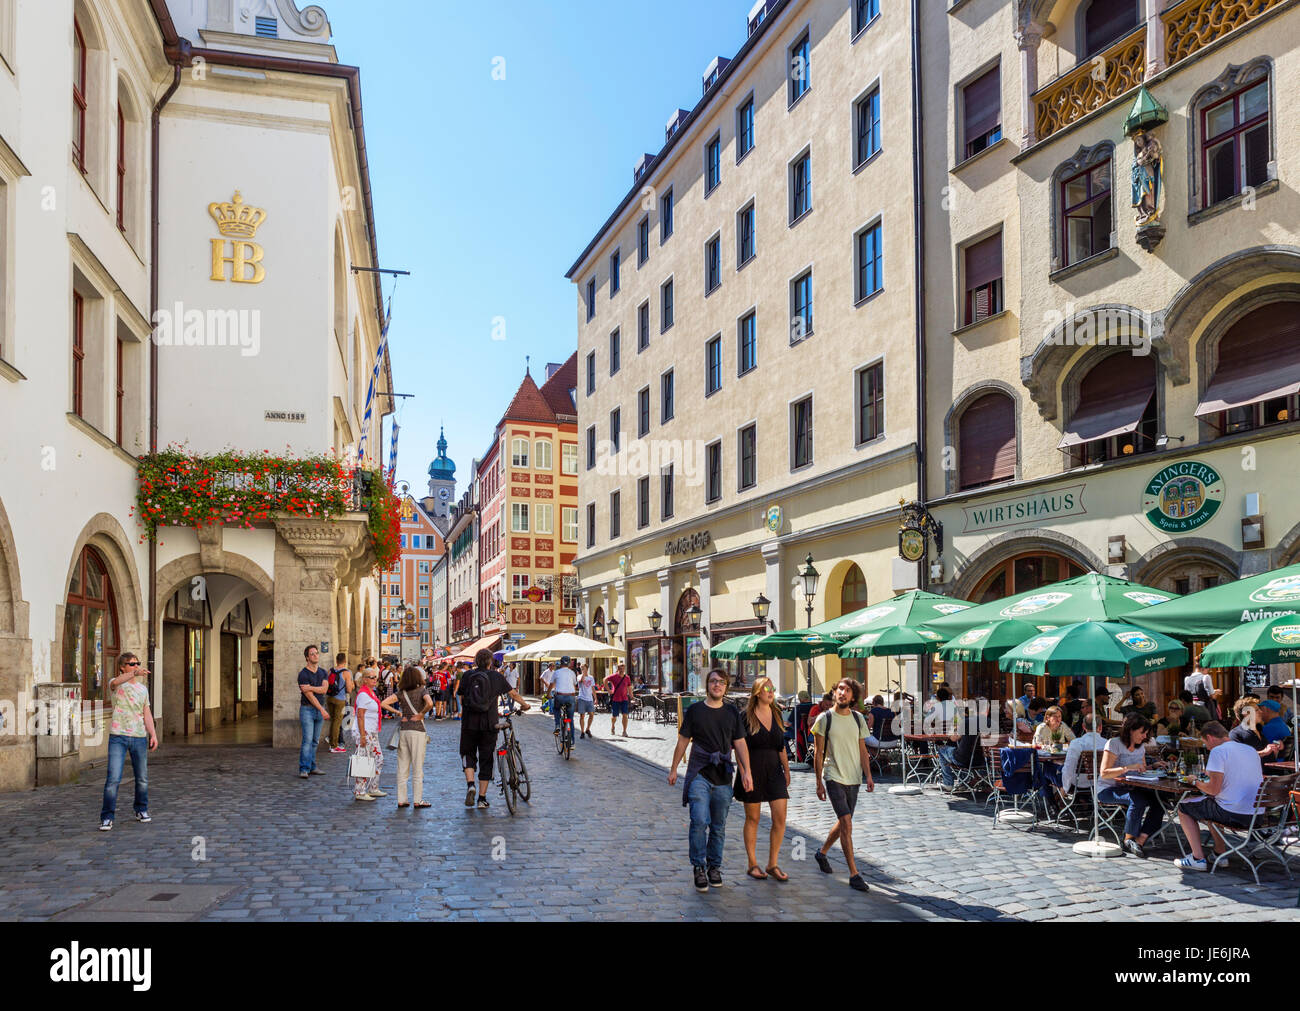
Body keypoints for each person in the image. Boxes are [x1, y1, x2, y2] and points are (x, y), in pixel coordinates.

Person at [668, 669, 753, 892]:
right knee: (699, 820)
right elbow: (683, 740)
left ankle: (714, 866)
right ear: (708, 685)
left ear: (726, 686)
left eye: (721, 682)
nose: (717, 685)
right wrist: (674, 768)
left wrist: (746, 772)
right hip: (699, 772)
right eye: (713, 681)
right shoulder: (695, 710)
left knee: (718, 826)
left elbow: (740, 743)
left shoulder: (732, 712)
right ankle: (698, 867)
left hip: (724, 774)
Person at [1173, 721, 1265, 871]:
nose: (1207, 748)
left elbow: (1213, 790)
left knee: (1184, 807)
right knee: (1210, 805)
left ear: (1210, 737)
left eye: (1205, 743)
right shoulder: (1251, 750)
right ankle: (1219, 854)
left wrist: (1195, 781)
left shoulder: (1218, 751)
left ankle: (1197, 858)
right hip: (1256, 815)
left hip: (1233, 814)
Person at [812, 678, 875, 893]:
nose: (843, 693)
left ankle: (822, 853)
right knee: (847, 823)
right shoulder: (824, 719)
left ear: (853, 696)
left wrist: (868, 775)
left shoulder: (858, 719)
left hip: (854, 777)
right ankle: (854, 874)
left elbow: (863, 750)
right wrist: (818, 782)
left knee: (843, 821)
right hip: (833, 776)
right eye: (840, 689)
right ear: (834, 692)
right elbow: (819, 753)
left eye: (847, 690)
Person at [458, 649, 530, 809]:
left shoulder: (468, 676)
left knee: (467, 753)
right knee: (486, 758)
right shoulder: (497, 676)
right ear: (490, 662)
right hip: (489, 724)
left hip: (469, 723)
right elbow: (513, 694)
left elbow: (461, 697)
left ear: (475, 661)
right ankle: (482, 799)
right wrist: (525, 705)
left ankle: (471, 785)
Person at [734, 677, 790, 881]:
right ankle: (752, 863)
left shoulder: (776, 713)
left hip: (774, 770)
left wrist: (787, 769)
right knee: (753, 818)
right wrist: (743, 772)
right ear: (757, 692)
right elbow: (738, 747)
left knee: (780, 817)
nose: (771, 691)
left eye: (772, 688)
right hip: (752, 769)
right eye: (767, 688)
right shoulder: (745, 716)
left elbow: (781, 746)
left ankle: (773, 863)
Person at [98, 653, 158, 831]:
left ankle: (141, 809)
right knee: (113, 779)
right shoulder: (115, 684)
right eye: (132, 664)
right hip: (118, 736)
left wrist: (152, 734)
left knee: (142, 778)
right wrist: (135, 673)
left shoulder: (142, 689)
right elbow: (116, 682)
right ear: (122, 667)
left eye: (137, 663)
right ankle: (107, 817)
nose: (136, 666)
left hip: (139, 736)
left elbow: (146, 712)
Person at [1097, 713, 1163, 858]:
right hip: (1107, 789)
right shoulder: (1114, 743)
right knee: (1138, 800)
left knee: (1159, 802)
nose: (1145, 736)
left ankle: (1140, 840)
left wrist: (1153, 767)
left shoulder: (1140, 747)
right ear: (1131, 730)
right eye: (1142, 732)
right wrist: (1127, 768)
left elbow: (1141, 769)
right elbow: (1104, 773)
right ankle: (1128, 839)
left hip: (1130, 787)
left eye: (1146, 733)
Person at [388, 665, 433, 809]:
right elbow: (430, 703)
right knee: (417, 766)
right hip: (417, 731)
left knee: (402, 766)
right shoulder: (422, 690)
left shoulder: (401, 693)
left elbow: (383, 703)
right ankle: (417, 800)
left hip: (404, 730)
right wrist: (421, 714)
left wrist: (398, 712)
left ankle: (402, 799)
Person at [350, 667, 398, 801]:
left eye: (375, 677)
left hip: (372, 731)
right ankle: (359, 791)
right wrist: (362, 736)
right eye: (371, 677)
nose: (375, 679)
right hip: (364, 731)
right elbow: (360, 716)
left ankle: (373, 787)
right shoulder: (363, 695)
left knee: (378, 759)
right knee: (364, 760)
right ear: (364, 680)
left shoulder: (371, 693)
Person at [297, 645, 331, 778]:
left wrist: (310, 687)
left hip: (319, 711)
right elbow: (309, 696)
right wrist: (322, 709)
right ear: (307, 657)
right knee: (307, 740)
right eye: (312, 654)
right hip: (307, 710)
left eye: (316, 653)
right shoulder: (303, 674)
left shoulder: (322, 672)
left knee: (315, 741)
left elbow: (324, 690)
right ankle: (304, 768)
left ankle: (312, 766)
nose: (315, 655)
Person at [1229, 701, 1284, 771]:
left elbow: (1268, 758)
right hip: (1253, 778)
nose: (1261, 712)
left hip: (1269, 776)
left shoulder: (1260, 731)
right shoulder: (1235, 734)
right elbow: (1239, 757)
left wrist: (1276, 750)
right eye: (1257, 710)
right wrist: (1264, 752)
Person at [1062, 714, 1108, 793]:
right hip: (1099, 781)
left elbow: (1069, 768)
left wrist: (1065, 788)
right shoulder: (1107, 744)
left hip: (1078, 782)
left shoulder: (1077, 743)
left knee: (1049, 770)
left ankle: (1052, 801)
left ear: (1083, 726)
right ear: (1100, 727)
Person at [935, 717, 981, 791]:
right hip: (981, 761)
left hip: (963, 760)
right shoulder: (989, 722)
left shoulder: (967, 722)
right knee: (963, 750)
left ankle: (948, 783)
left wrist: (949, 734)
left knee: (941, 749)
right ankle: (963, 783)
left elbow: (954, 738)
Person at [325, 652, 353, 753]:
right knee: (337, 723)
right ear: (344, 661)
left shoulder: (330, 671)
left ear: (336, 660)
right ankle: (334, 746)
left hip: (329, 698)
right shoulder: (346, 673)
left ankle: (331, 742)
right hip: (340, 699)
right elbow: (349, 690)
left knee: (333, 721)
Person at [550, 656, 578, 741]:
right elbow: (574, 685)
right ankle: (572, 741)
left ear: (560, 663)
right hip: (571, 696)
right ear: (569, 664)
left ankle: (558, 725)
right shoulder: (572, 673)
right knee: (570, 719)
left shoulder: (556, 672)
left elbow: (551, 685)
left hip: (560, 696)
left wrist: (548, 694)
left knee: (556, 709)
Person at [606, 662, 633, 738]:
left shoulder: (627, 677)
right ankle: (613, 726)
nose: (621, 670)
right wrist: (609, 690)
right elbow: (604, 679)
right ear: (618, 669)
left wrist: (632, 697)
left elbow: (629, 688)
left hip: (624, 699)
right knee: (614, 716)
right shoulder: (614, 676)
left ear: (624, 669)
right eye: (620, 668)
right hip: (616, 699)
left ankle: (624, 731)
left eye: (623, 668)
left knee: (625, 715)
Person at [575, 663, 597, 739]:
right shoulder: (579, 676)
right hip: (582, 698)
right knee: (582, 716)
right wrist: (583, 674)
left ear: (587, 668)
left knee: (591, 714)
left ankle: (587, 729)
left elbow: (593, 688)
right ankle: (582, 732)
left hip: (589, 698)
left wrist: (596, 698)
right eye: (581, 668)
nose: (582, 669)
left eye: (583, 668)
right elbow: (580, 681)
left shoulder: (591, 677)